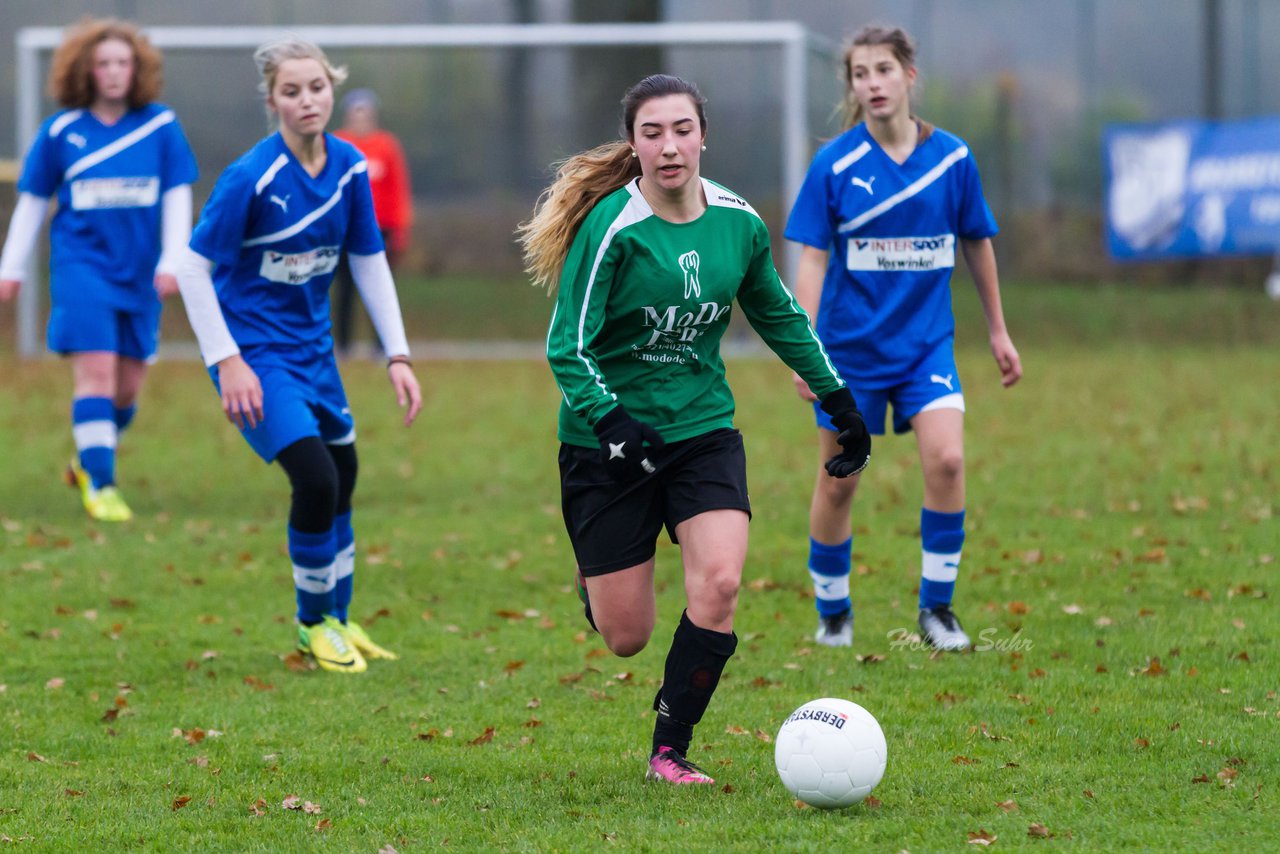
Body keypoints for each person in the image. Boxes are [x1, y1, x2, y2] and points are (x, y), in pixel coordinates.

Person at [518, 74, 871, 786]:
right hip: (605, 443)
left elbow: (779, 315)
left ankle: (668, 751)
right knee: (626, 636)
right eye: (653, 133)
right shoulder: (612, 228)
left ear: (703, 135)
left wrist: (840, 400)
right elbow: (568, 346)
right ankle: (597, 580)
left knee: (720, 582)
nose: (669, 146)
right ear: (634, 144)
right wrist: (612, 421)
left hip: (703, 431)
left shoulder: (737, 222)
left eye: (682, 130)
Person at [175, 38, 422, 674]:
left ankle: (339, 617)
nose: (306, 99)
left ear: (331, 90)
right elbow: (193, 270)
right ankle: (312, 626)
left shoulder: (348, 166)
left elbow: (367, 260)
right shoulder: (249, 177)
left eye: (316, 87)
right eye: (292, 91)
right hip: (255, 357)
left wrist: (397, 353)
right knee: (314, 479)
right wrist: (227, 360)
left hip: (315, 354)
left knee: (345, 478)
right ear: (272, 101)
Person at [784, 26, 1023, 652]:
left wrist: (997, 330)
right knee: (841, 480)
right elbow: (810, 260)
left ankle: (936, 610)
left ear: (908, 76)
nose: (872, 84)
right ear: (853, 87)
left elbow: (977, 241)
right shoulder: (835, 164)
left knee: (947, 460)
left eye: (883, 70)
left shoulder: (952, 159)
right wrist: (804, 351)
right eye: (860, 74)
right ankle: (833, 612)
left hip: (925, 349)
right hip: (849, 355)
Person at [0, 17, 198, 522]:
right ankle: (104, 487)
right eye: (104, 63)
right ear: (85, 70)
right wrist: (11, 266)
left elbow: (178, 196)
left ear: (138, 69)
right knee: (96, 373)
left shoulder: (161, 126)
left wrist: (173, 259)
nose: (114, 72)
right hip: (80, 265)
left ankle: (87, 459)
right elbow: (31, 201)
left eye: (123, 63)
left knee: (127, 387)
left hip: (139, 273)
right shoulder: (61, 132)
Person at [331, 87, 413, 357]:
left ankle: (383, 346)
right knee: (344, 289)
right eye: (356, 113)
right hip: (345, 229)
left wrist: (399, 230)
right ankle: (343, 346)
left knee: (380, 287)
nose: (360, 119)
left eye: (365, 113)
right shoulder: (337, 144)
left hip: (380, 229)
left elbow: (398, 189)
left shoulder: (386, 145)